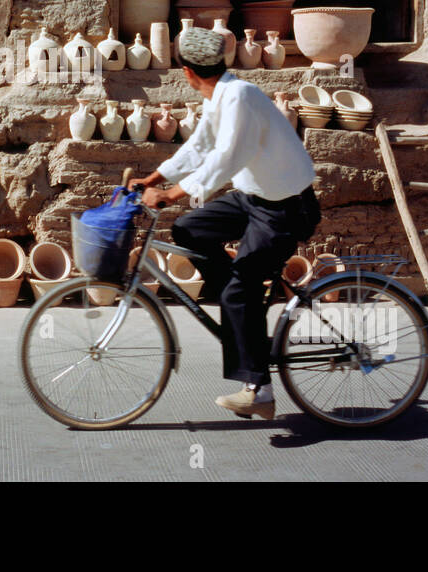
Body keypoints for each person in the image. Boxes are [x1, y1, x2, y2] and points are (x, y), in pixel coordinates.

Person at [128, 26, 320, 420]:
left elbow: (226, 158)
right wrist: (154, 179)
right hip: (255, 198)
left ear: (187, 72)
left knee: (239, 290)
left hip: (286, 208)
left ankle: (260, 392)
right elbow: (199, 145)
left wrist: (171, 195)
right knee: (188, 230)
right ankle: (240, 314)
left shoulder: (240, 98)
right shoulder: (222, 95)